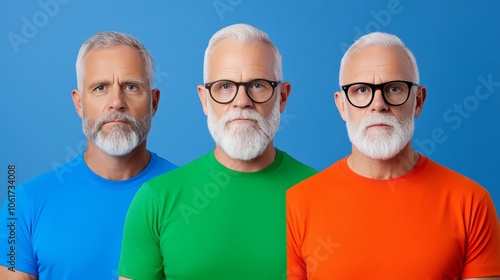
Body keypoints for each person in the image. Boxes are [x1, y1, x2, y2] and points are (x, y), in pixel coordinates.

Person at [286, 31, 500, 279]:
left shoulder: (471, 202)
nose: (378, 104)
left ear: (418, 101)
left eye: (395, 88)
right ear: (342, 105)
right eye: (361, 90)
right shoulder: (296, 204)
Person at [117, 23, 317, 280]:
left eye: (258, 85)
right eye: (224, 86)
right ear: (204, 99)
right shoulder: (156, 199)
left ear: (282, 97)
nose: (242, 101)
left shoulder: (321, 196)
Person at [0, 31, 176, 279]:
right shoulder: (23, 203)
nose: (117, 102)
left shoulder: (192, 195)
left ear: (154, 102)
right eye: (101, 87)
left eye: (131, 86)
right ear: (79, 103)